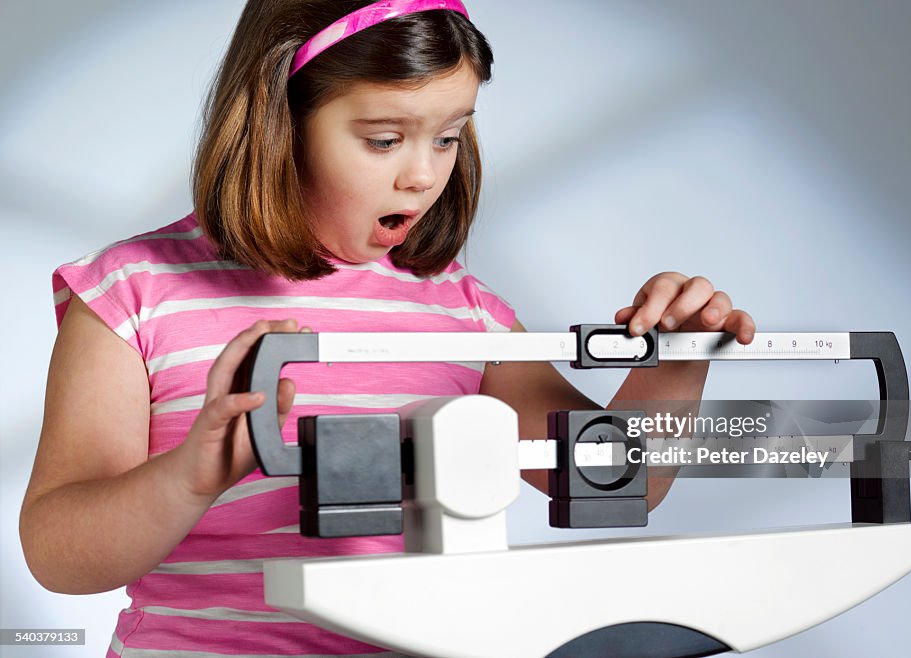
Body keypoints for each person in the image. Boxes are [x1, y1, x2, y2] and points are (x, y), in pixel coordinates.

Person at [20, 1, 756, 656]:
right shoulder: (132, 292)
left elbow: (611, 484)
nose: (422, 176)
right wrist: (192, 475)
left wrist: (679, 361)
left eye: (447, 137)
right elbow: (60, 556)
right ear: (281, 122)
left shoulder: (465, 313)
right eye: (383, 140)